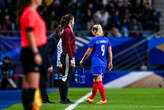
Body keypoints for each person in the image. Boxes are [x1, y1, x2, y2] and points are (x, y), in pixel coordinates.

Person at [16, 0, 47, 110]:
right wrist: (35, 53)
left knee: (27, 85)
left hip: (30, 51)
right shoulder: (30, 12)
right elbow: (29, 32)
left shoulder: (30, 11)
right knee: (32, 86)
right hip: (31, 51)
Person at [80, 24, 113, 104]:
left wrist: (82, 60)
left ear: (95, 31)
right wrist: (110, 62)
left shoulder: (94, 40)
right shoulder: (106, 39)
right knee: (95, 80)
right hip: (103, 62)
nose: (92, 32)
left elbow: (88, 52)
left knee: (98, 80)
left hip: (96, 62)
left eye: (92, 30)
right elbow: (110, 52)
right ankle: (91, 98)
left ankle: (103, 99)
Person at [40, 25, 63, 103]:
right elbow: (46, 53)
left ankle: (44, 99)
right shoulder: (53, 39)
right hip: (42, 60)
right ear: (59, 32)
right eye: (63, 32)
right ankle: (44, 99)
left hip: (42, 59)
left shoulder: (55, 38)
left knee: (43, 79)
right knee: (43, 80)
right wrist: (49, 65)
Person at [59, 13, 76, 104]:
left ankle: (64, 98)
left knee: (66, 77)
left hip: (67, 55)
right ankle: (63, 99)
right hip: (67, 55)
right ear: (71, 21)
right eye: (73, 20)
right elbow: (68, 45)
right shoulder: (68, 30)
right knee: (65, 77)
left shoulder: (68, 30)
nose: (74, 21)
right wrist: (71, 58)